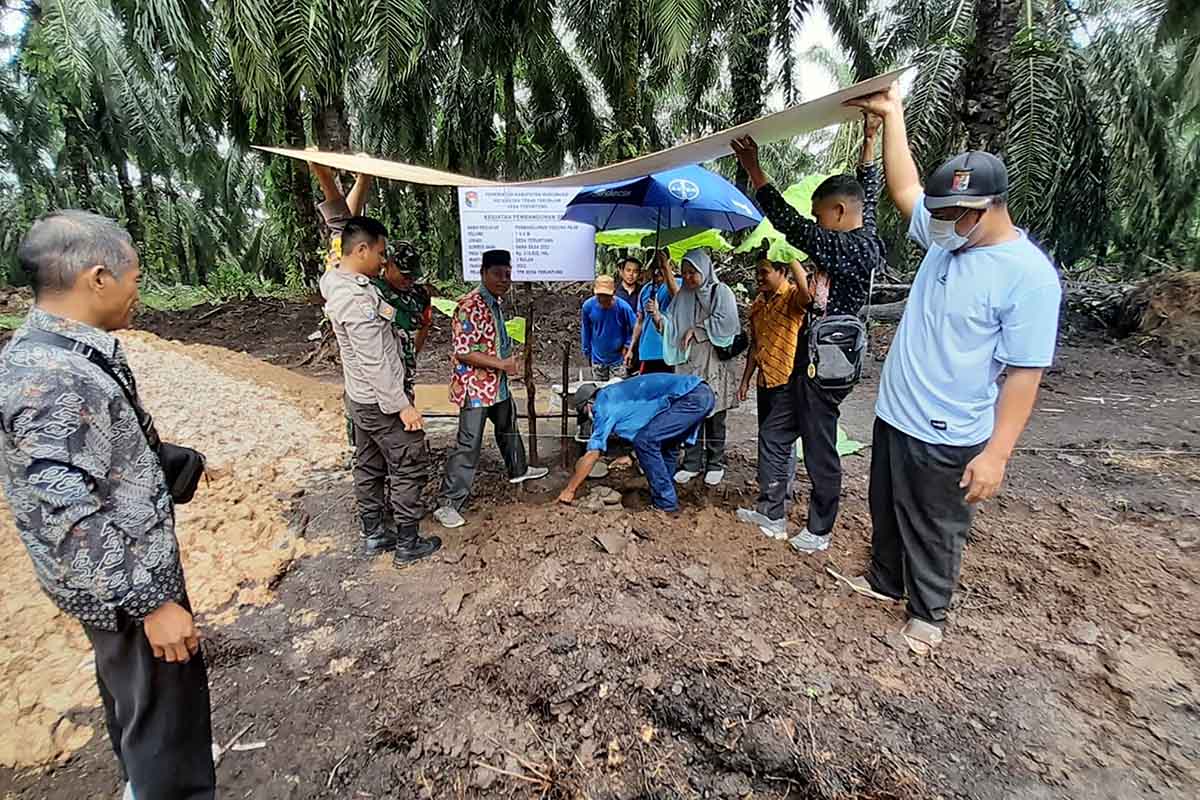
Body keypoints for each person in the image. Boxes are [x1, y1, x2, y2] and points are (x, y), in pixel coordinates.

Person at [0, 211, 215, 799]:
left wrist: (161, 459)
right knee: (166, 733)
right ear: (98, 277)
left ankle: (144, 779)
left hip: (119, 581)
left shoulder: (59, 353)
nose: (137, 290)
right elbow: (67, 515)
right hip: (126, 589)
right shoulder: (52, 377)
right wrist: (153, 604)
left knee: (139, 710)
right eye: (134, 276)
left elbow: (91, 453)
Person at [841, 83, 1062, 654]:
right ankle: (884, 581)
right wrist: (893, 115)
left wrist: (997, 454)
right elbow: (906, 187)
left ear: (989, 209)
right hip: (896, 412)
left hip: (948, 429)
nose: (938, 222)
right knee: (886, 506)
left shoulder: (1027, 276)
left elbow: (1024, 373)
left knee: (935, 522)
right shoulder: (947, 240)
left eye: (953, 214)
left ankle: (929, 613)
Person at [730, 115, 885, 553]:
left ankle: (819, 529)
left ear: (838, 213)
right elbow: (867, 192)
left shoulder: (852, 247)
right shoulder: (861, 227)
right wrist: (869, 139)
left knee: (819, 445)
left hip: (829, 362)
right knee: (776, 432)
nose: (816, 223)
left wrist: (755, 171)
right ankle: (771, 511)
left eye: (821, 216)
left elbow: (790, 225)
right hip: (809, 355)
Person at [320, 216, 442, 564]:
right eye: (380, 252)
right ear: (361, 250)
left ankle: (374, 534)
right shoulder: (356, 300)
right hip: (378, 400)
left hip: (359, 398)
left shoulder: (337, 280)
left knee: (369, 463)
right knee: (408, 462)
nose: (382, 259)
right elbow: (374, 360)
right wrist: (402, 406)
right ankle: (407, 544)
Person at [434, 249, 549, 528]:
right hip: (475, 388)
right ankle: (449, 503)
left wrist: (506, 365)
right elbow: (463, 351)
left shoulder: (494, 303)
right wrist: (502, 364)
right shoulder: (470, 305)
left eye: (508, 274)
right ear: (483, 273)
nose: (504, 279)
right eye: (498, 274)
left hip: (496, 386)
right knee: (468, 445)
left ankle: (519, 470)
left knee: (508, 428)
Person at [558, 374, 715, 513]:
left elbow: (593, 453)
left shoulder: (603, 404)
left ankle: (665, 505)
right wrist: (632, 456)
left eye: (586, 413)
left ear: (589, 404)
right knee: (666, 445)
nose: (590, 417)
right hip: (698, 392)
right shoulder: (615, 394)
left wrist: (570, 489)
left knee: (645, 442)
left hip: (690, 397)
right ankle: (666, 496)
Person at [738, 255, 812, 533]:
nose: (758, 277)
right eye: (757, 271)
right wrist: (745, 380)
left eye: (764, 272)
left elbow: (808, 295)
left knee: (779, 444)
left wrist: (791, 255)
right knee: (768, 442)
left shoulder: (792, 297)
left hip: (787, 379)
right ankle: (769, 504)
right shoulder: (758, 304)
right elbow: (755, 347)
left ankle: (775, 507)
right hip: (764, 380)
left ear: (782, 272)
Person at [658, 249, 740, 487]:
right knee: (692, 412)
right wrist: (657, 317)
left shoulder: (721, 292)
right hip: (690, 362)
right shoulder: (683, 295)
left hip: (714, 361)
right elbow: (671, 325)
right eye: (684, 273)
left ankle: (715, 462)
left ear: (704, 270)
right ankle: (692, 463)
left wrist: (699, 329)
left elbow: (727, 322)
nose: (689, 277)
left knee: (715, 414)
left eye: (693, 272)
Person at [626, 257, 680, 375]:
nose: (657, 271)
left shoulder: (676, 284)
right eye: (654, 267)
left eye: (661, 267)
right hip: (647, 351)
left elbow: (678, 299)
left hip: (668, 351)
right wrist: (631, 348)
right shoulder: (646, 289)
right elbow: (640, 321)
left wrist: (665, 268)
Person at [581, 274, 636, 382]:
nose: (603, 299)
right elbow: (586, 329)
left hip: (618, 359)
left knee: (618, 391)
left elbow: (635, 327)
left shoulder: (623, 307)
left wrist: (628, 345)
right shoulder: (588, 306)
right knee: (599, 391)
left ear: (613, 293)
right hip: (598, 358)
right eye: (600, 295)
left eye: (606, 295)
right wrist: (586, 349)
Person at [614, 257, 643, 375]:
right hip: (617, 342)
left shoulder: (643, 292)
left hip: (639, 342)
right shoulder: (614, 292)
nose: (631, 274)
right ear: (621, 271)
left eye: (635, 271)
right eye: (628, 270)